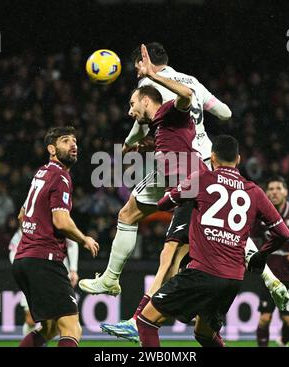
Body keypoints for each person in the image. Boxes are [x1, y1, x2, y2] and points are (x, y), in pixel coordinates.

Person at [97, 42, 289, 342]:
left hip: (187, 169)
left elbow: (140, 126)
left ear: (143, 62)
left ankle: (134, 314)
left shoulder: (150, 83)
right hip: (211, 168)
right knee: (199, 247)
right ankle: (269, 280)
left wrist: (131, 144)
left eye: (136, 66)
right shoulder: (193, 82)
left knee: (166, 250)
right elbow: (225, 113)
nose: (136, 72)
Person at [136, 135, 289, 347]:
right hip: (232, 280)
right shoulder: (254, 191)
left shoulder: (202, 178)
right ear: (238, 159)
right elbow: (283, 233)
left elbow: (163, 203)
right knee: (204, 335)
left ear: (213, 157)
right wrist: (260, 255)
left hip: (201, 273)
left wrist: (181, 191)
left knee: (145, 322)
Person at [79, 44, 205, 298]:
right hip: (171, 175)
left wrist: (153, 75)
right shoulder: (160, 124)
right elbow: (172, 141)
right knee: (127, 215)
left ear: (146, 99)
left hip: (188, 178)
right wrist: (142, 147)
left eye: (132, 103)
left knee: (176, 251)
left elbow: (187, 96)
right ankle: (111, 280)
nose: (130, 110)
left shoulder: (170, 108)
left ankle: (151, 314)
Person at [12, 126, 99, 347]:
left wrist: (36, 230)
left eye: (75, 141)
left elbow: (22, 216)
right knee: (72, 328)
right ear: (51, 149)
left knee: (49, 329)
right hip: (44, 260)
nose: (73, 145)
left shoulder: (41, 173)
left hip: (24, 259)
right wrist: (84, 239)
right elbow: (61, 221)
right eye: (65, 141)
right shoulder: (60, 177)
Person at [9, 228, 79, 336]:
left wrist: (73, 269)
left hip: (58, 275)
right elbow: (13, 250)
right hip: (32, 274)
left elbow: (73, 243)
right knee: (31, 320)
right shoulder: (24, 229)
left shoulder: (58, 221)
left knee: (62, 321)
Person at [253, 176, 289, 347]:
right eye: (270, 189)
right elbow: (252, 239)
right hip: (269, 275)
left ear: (285, 192)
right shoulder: (262, 214)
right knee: (264, 319)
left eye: (278, 188)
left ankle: (282, 342)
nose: (274, 192)